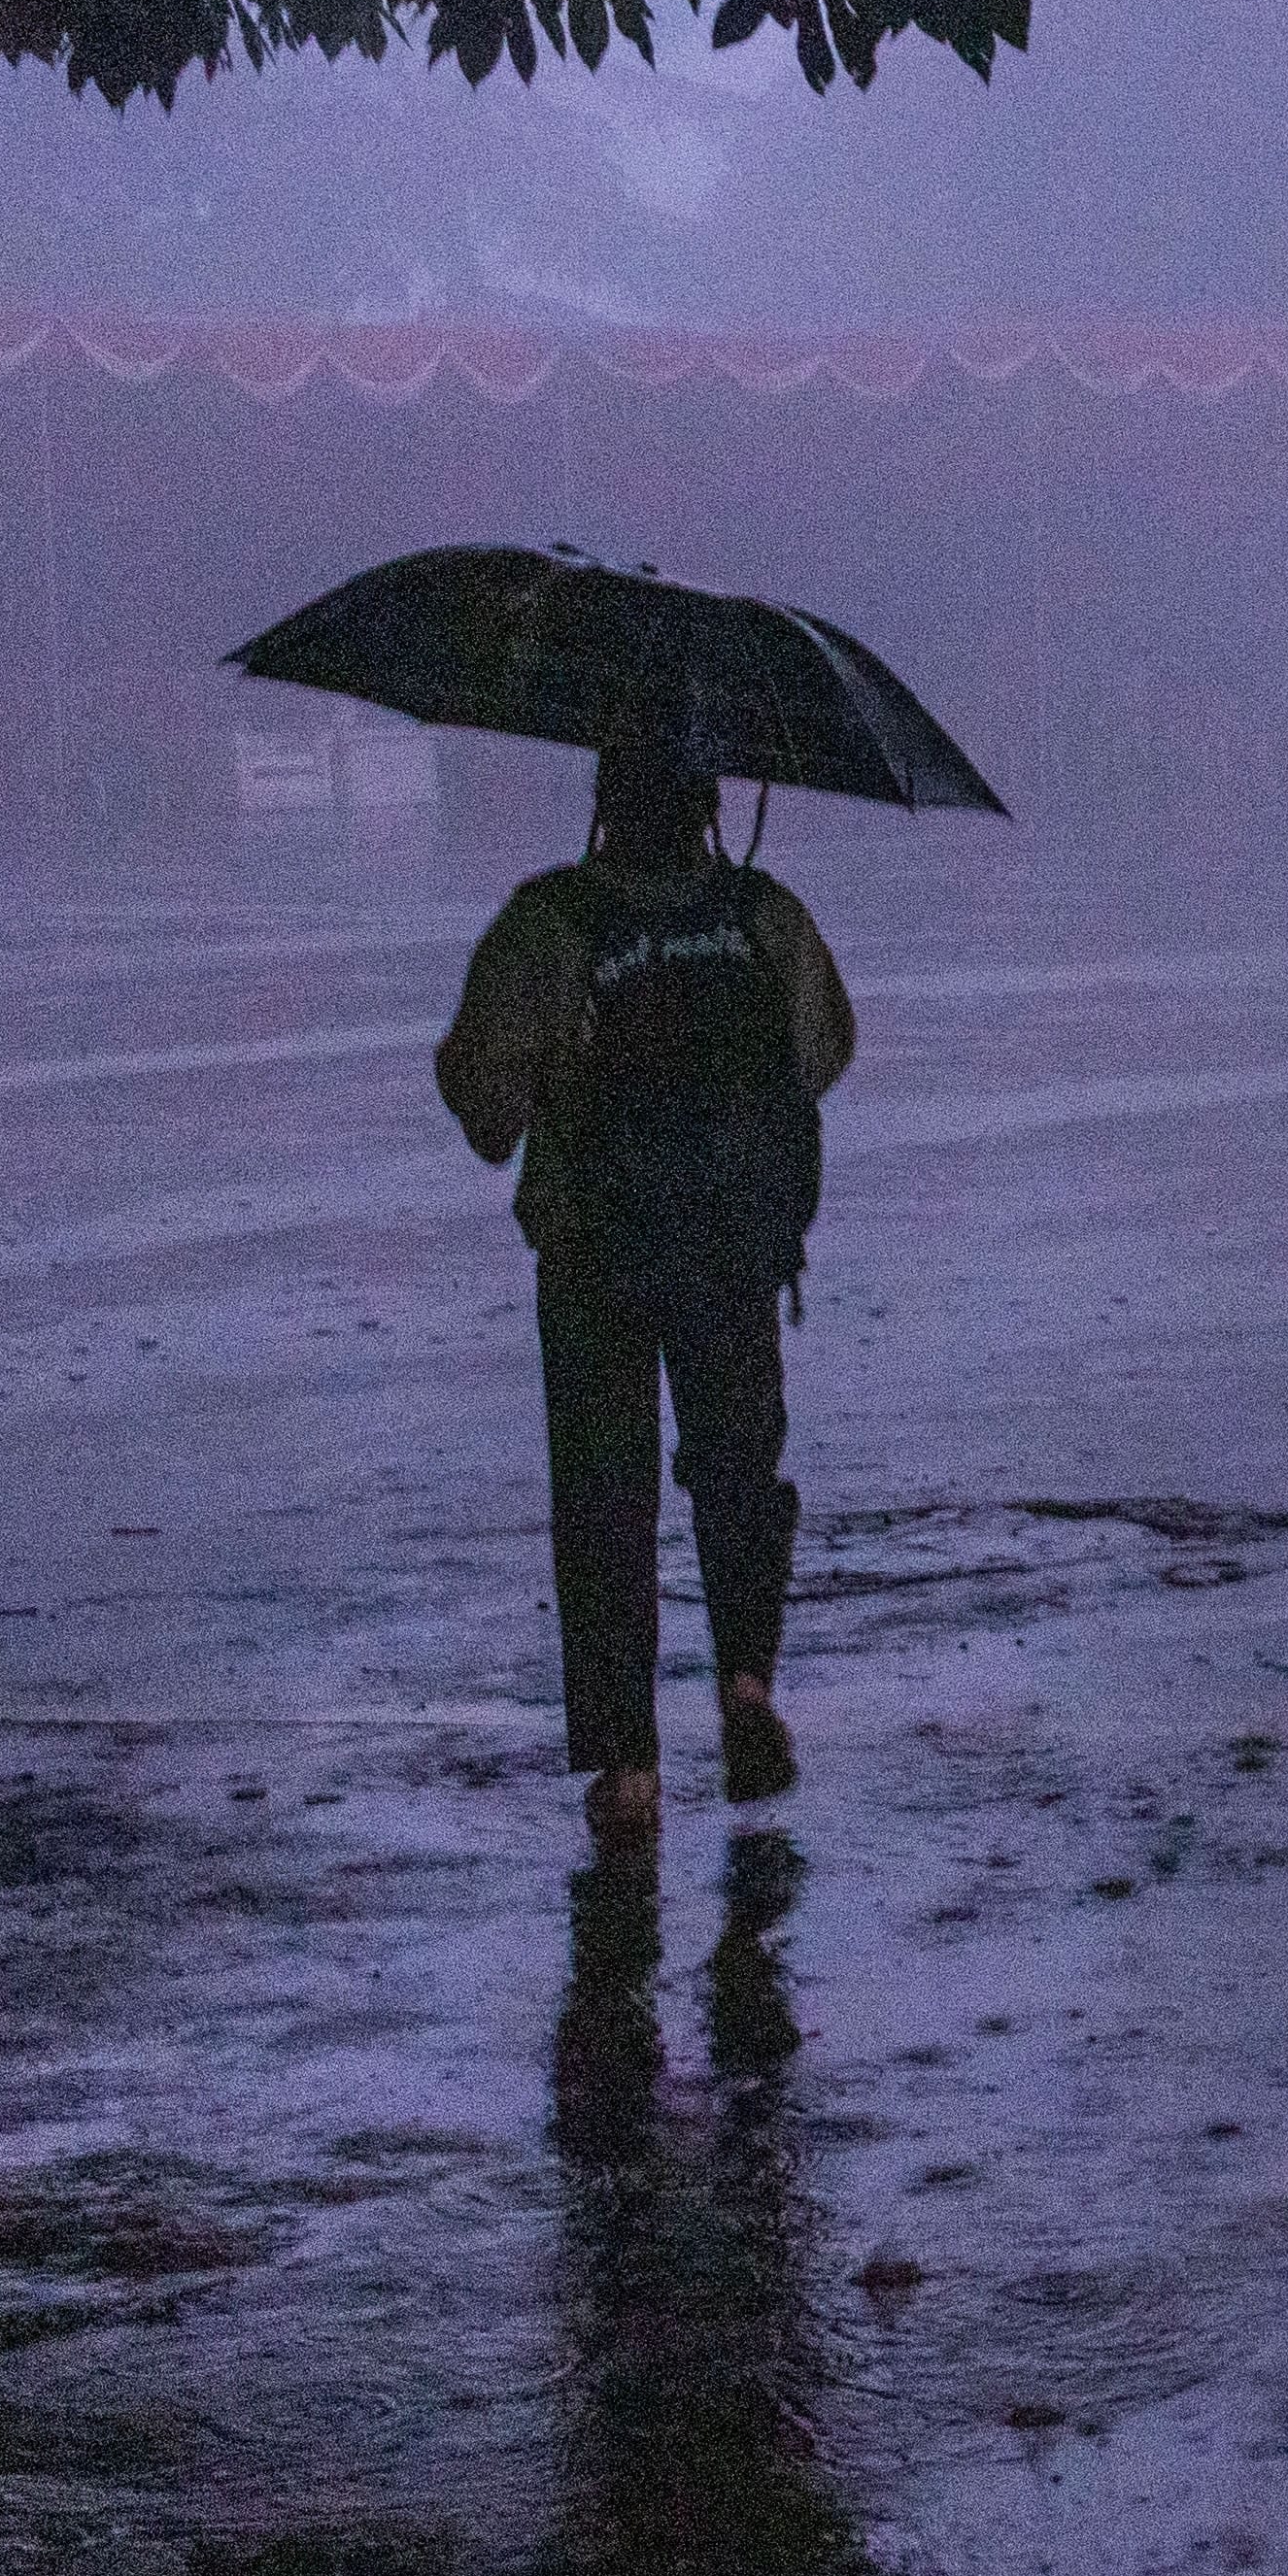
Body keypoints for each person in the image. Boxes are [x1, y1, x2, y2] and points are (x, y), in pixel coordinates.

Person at [439, 732, 857, 1831]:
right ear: (712, 805)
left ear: (602, 808)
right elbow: (823, 1053)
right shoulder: (764, 915)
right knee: (738, 1471)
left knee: (604, 1498)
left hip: (595, 1257)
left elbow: (482, 1103)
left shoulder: (550, 924)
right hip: (732, 1250)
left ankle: (629, 1763)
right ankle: (748, 1682)